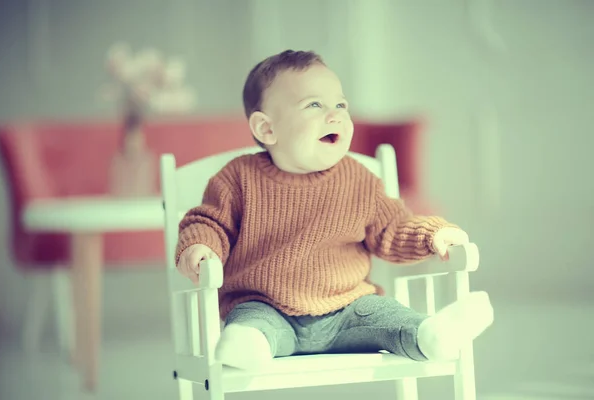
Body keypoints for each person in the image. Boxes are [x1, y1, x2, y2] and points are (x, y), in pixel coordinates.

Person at [175, 50, 493, 371]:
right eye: (315, 105)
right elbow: (209, 221)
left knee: (388, 316)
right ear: (267, 129)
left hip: (349, 309)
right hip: (265, 305)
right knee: (252, 322)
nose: (335, 115)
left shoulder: (359, 180)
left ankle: (429, 335)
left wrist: (431, 234)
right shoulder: (238, 178)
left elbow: (393, 228)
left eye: (341, 105)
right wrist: (201, 246)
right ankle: (248, 344)